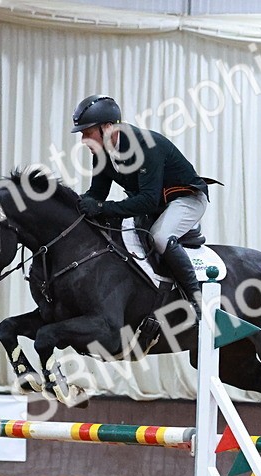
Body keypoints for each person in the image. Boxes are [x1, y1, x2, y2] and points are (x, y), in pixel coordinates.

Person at [71, 94, 208, 316]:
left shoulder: (145, 146)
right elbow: (97, 194)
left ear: (108, 128)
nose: (83, 140)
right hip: (157, 204)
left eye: (87, 133)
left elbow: (147, 201)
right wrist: (76, 206)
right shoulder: (101, 152)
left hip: (186, 199)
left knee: (160, 237)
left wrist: (103, 208)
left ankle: (197, 301)